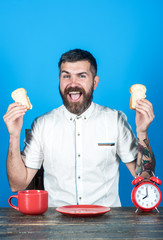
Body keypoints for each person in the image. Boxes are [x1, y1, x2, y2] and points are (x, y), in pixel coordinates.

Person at [3, 49, 155, 207]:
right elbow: (18, 185)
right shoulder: (42, 124)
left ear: (94, 82)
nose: (73, 83)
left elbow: (144, 177)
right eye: (66, 76)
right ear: (59, 80)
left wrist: (142, 132)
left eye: (82, 76)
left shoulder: (115, 120)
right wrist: (14, 135)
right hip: (56, 225)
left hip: (107, 225)